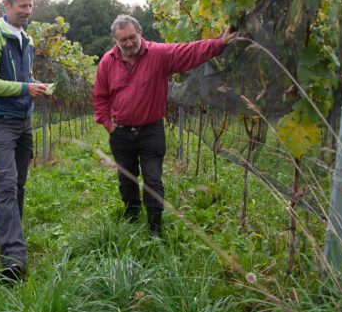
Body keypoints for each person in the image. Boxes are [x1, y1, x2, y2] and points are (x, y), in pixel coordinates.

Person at [92, 14, 237, 236]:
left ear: (140, 32)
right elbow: (99, 96)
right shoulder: (107, 62)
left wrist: (219, 44)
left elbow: (189, 52)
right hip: (120, 133)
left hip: (151, 131)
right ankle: (131, 218)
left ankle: (154, 228)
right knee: (126, 178)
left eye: (132, 37)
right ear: (116, 41)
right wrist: (108, 125)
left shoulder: (158, 54)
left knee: (152, 178)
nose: (129, 43)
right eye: (123, 40)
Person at [0, 0, 49, 281]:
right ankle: (13, 258)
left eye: (30, 6)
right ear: (5, 5)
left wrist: (35, 85)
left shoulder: (26, 39)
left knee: (18, 184)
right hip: (1, 121)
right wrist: (24, 88)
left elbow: (23, 75)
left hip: (23, 120)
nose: (27, 11)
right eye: (22, 6)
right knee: (6, 185)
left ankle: (7, 237)